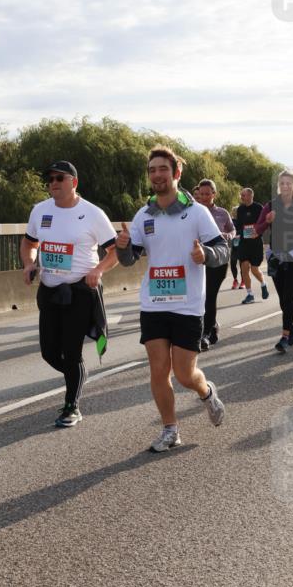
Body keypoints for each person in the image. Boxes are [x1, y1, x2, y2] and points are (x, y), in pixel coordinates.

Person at [115, 146, 227, 452]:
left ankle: (206, 392)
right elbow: (128, 258)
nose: (157, 175)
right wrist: (123, 245)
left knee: (184, 374)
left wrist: (205, 254)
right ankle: (170, 430)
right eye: (152, 170)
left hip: (188, 305)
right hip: (154, 303)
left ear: (176, 174)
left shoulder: (197, 212)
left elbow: (222, 250)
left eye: (163, 169)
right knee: (158, 370)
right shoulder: (143, 215)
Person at [21, 160, 118, 427]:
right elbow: (29, 242)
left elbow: (114, 252)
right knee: (49, 352)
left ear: (73, 182)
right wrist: (29, 263)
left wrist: (98, 270)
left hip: (80, 292)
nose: (53, 182)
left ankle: (71, 405)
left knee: (71, 351)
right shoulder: (40, 211)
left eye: (59, 178)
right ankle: (76, 375)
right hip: (50, 291)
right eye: (50, 178)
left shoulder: (92, 213)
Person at [254, 170, 293, 354]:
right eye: (282, 183)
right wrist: (267, 221)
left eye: (289, 183)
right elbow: (256, 230)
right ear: (279, 185)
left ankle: (285, 336)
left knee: (288, 297)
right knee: (282, 299)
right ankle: (292, 325)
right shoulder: (270, 205)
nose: (285, 186)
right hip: (277, 257)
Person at [194, 179, 235, 350]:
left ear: (214, 194)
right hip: (199, 258)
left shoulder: (222, 213)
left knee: (210, 295)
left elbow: (233, 229)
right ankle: (212, 326)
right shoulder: (193, 212)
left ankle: (206, 333)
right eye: (201, 194)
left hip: (219, 259)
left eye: (207, 194)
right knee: (201, 296)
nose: (204, 197)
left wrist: (228, 235)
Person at [235, 187, 269, 304]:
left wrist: (256, 232)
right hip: (244, 243)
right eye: (241, 195)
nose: (241, 197)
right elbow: (239, 225)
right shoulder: (240, 209)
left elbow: (264, 223)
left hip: (256, 243)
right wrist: (238, 234)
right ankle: (250, 294)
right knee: (244, 268)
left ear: (250, 196)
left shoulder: (259, 208)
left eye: (243, 195)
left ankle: (263, 284)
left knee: (254, 269)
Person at [229, 204, 243, 289]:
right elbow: (229, 230)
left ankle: (243, 281)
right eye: (234, 212)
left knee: (242, 264)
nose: (236, 213)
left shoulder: (243, 220)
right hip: (234, 245)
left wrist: (240, 234)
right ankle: (235, 280)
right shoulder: (231, 221)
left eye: (237, 212)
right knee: (233, 263)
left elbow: (246, 230)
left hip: (243, 245)